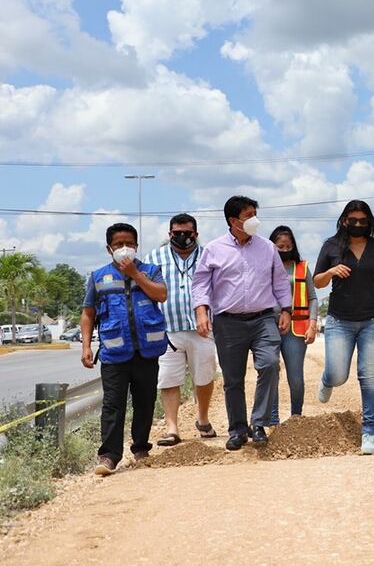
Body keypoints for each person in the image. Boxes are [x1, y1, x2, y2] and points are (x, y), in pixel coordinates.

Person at [191, 196, 292, 451]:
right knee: (233, 379)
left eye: (255, 213)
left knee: (270, 365)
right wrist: (201, 312)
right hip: (228, 322)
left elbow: (280, 280)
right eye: (249, 215)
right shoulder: (213, 249)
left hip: (263, 319)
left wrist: (287, 309)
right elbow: (200, 283)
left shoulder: (267, 247)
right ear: (233, 221)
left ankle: (258, 423)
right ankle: (237, 430)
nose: (254, 220)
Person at [80, 223, 169, 475]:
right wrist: (86, 346)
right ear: (109, 248)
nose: (124, 248)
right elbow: (88, 313)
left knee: (145, 402)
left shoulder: (151, 271)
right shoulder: (98, 277)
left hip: (147, 352)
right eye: (118, 244)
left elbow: (161, 295)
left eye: (129, 243)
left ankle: (141, 448)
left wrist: (135, 274)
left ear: (137, 246)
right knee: (113, 404)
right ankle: (109, 455)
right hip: (114, 353)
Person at [313, 200, 374, 455]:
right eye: (353, 220)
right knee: (338, 375)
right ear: (344, 220)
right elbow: (317, 281)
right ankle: (327, 380)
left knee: (368, 378)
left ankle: (370, 432)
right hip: (339, 321)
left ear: (369, 222)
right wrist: (332, 270)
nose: (358, 225)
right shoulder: (331, 246)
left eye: (363, 221)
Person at [145, 214, 218, 446]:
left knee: (205, 377)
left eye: (188, 233)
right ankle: (172, 428)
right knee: (168, 379)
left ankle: (203, 419)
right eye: (177, 233)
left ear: (196, 234)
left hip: (203, 328)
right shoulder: (154, 257)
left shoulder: (209, 255)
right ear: (169, 235)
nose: (183, 237)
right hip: (168, 328)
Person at [267, 225, 318, 422]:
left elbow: (313, 297)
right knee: (270, 374)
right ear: (272, 246)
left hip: (296, 329)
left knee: (295, 378)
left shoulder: (302, 267)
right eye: (280, 246)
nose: (285, 250)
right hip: (268, 326)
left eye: (288, 246)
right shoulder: (264, 267)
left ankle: (296, 418)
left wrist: (312, 324)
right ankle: (272, 421)